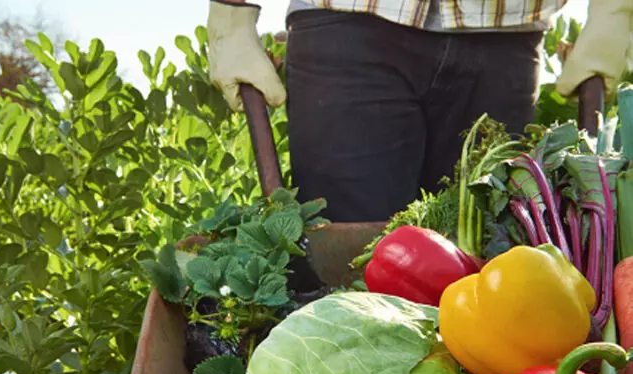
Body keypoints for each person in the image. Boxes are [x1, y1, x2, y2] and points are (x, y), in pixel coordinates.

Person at [207, 0, 633, 223]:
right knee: (348, 276)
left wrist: (614, 9)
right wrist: (229, 18)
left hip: (506, 32)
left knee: (490, 257)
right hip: (347, 26)